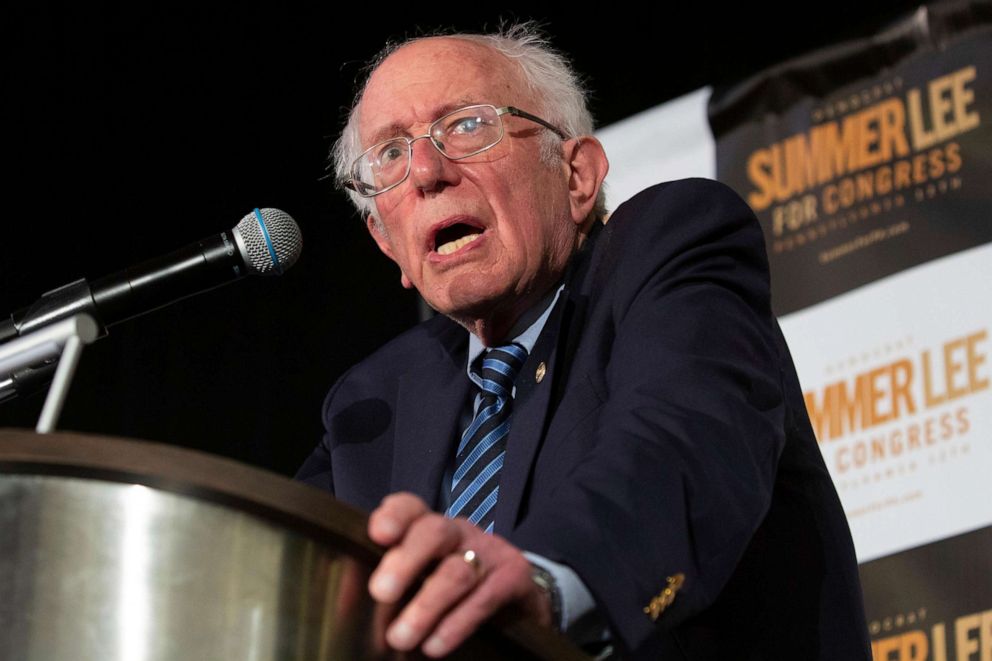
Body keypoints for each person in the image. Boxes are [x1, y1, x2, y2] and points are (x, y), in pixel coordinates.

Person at [296, 25, 871, 660]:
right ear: (388, 243)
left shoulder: (667, 248)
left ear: (577, 177)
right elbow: (285, 588)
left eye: (465, 126)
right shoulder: (371, 404)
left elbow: (682, 445)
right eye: (391, 153)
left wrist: (544, 579)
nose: (428, 172)